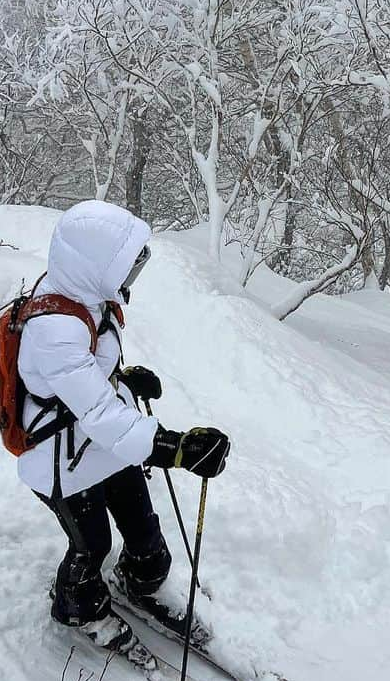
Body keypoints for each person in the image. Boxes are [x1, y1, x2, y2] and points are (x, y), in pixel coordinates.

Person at [16, 199, 230, 653]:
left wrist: (122, 377)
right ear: (93, 265)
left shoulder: (89, 296)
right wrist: (174, 449)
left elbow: (90, 381)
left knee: (146, 537)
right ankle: (78, 608)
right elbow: (98, 412)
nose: (132, 276)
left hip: (102, 445)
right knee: (91, 546)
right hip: (60, 459)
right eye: (126, 265)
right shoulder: (53, 328)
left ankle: (140, 581)